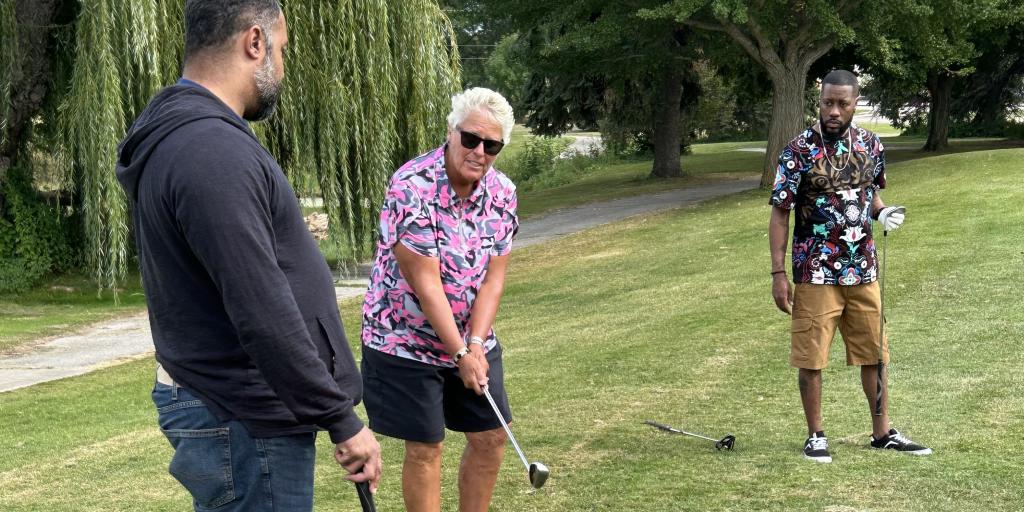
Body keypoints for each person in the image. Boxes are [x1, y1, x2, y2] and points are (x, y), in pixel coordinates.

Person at [115, 1, 381, 509]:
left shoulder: (192, 135)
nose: (282, 67)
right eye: (281, 51)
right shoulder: (209, 150)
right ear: (253, 42)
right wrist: (342, 420)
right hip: (241, 416)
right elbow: (261, 307)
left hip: (242, 410)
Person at [360, 87, 519, 512]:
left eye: (491, 145)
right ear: (451, 132)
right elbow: (425, 285)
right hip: (404, 337)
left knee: (491, 435)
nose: (479, 152)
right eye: (470, 139)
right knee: (426, 447)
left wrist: (478, 345)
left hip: (470, 337)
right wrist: (460, 352)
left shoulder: (503, 193)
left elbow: (492, 281)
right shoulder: (411, 186)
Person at [768, 69, 931, 463]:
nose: (834, 111)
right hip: (816, 271)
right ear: (819, 102)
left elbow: (869, 193)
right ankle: (816, 436)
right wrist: (778, 274)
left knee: (875, 354)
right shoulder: (798, 150)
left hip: (863, 270)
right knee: (812, 356)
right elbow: (780, 214)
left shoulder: (871, 146)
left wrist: (882, 212)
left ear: (856, 102)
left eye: (843, 103)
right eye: (828, 103)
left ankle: (882, 433)